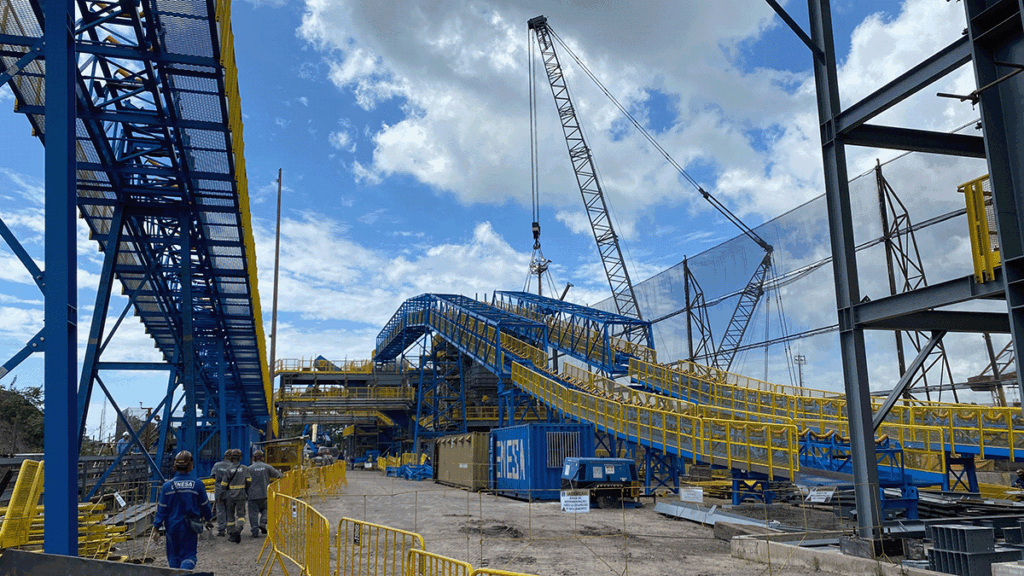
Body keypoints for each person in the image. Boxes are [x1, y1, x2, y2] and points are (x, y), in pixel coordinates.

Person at [151, 451, 213, 570]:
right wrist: (208, 519)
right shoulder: (197, 484)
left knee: (173, 558)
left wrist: (156, 527)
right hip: (189, 527)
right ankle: (184, 572)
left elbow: (162, 509)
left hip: (171, 527)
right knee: (189, 556)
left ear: (175, 466)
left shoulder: (167, 486)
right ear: (191, 466)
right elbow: (205, 505)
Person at [247, 450, 283, 538]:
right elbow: (279, 475)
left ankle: (254, 531)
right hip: (265, 494)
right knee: (267, 509)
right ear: (262, 457)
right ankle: (263, 521)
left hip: (252, 495)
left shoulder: (249, 469)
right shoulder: (267, 467)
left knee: (253, 513)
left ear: (254, 458)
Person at [220, 448, 251, 543]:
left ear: (231, 458)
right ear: (240, 457)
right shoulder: (245, 468)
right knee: (241, 514)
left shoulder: (228, 470)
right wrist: (245, 489)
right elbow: (249, 481)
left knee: (230, 515)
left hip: (230, 495)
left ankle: (231, 533)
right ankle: (239, 528)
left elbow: (223, 485)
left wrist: (221, 495)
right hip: (241, 494)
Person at [211, 449, 232, 536]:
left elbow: (212, 475)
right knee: (230, 510)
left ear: (224, 457)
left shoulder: (217, 465)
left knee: (220, 510)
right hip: (230, 491)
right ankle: (230, 529)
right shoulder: (234, 466)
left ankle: (221, 530)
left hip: (219, 491)